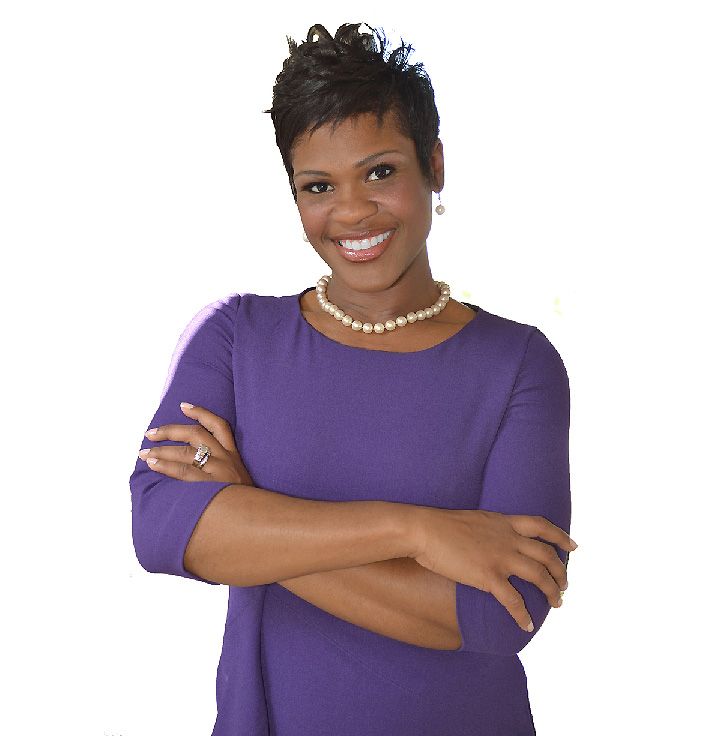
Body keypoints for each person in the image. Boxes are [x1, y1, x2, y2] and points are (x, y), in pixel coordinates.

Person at [129, 22, 577, 735]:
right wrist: (417, 532)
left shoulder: (517, 364)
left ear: (433, 163)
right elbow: (162, 530)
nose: (351, 211)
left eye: (380, 172)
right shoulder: (236, 338)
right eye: (318, 186)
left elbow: (501, 613)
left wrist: (250, 517)